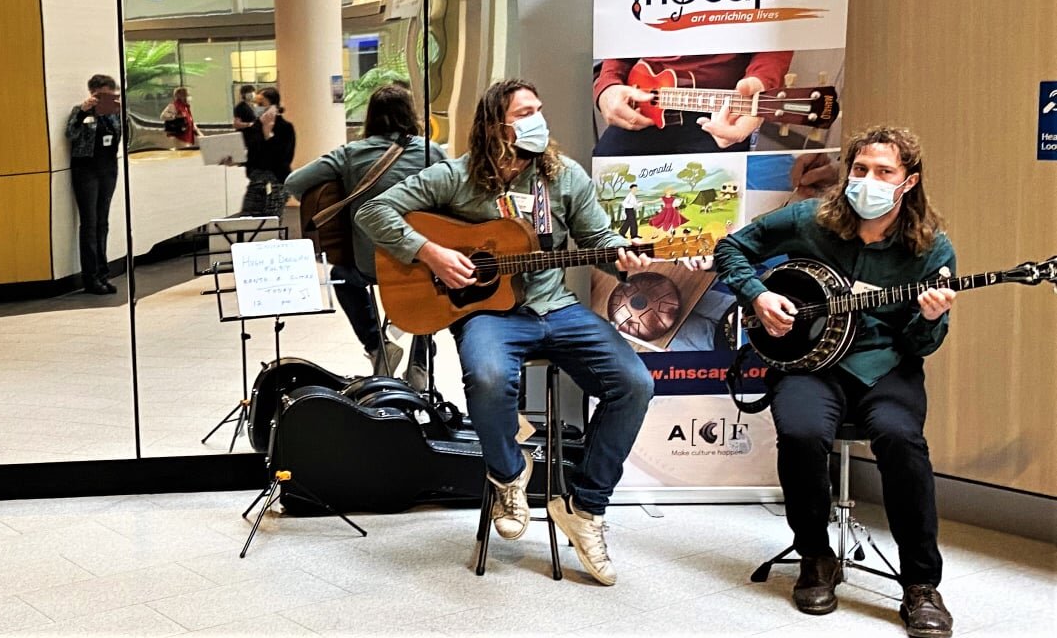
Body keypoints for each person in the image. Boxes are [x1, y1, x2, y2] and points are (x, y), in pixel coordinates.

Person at [354, 78, 656, 586]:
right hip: (490, 314)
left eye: (540, 108)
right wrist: (432, 253)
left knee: (635, 384)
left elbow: (598, 237)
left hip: (557, 308)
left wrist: (623, 255)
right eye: (526, 112)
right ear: (497, 124)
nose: (539, 118)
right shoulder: (455, 177)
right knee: (490, 376)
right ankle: (509, 474)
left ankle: (586, 507)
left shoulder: (563, 177)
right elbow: (371, 211)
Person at [711, 125, 956, 637]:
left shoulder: (931, 250)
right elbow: (732, 249)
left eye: (884, 172)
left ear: (908, 182)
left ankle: (921, 585)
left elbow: (921, 346)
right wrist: (757, 294)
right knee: (800, 433)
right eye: (860, 169)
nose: (868, 180)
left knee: (901, 439)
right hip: (809, 364)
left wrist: (929, 317)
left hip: (885, 365)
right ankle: (816, 557)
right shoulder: (810, 219)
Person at [283, 84, 443, 367]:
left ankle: (376, 346)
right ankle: (420, 359)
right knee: (432, 286)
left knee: (343, 277)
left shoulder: (349, 154)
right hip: (424, 260)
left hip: (371, 265)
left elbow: (294, 183)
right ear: (411, 115)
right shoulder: (431, 152)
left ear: (370, 117)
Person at [594, 52, 792, 155]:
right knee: (607, 175)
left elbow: (775, 28)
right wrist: (607, 86)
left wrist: (761, 82)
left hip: (720, 113)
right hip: (645, 103)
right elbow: (623, 30)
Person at [65, 74, 126, 295]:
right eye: (102, 95)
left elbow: (124, 137)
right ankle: (90, 278)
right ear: (92, 93)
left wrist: (120, 111)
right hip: (86, 170)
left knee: (103, 223)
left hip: (108, 169)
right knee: (89, 224)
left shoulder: (114, 115)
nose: (106, 99)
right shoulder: (80, 111)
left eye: (110, 95)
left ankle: (103, 274)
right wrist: (83, 111)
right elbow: (70, 133)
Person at [242, 87, 295, 218]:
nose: (258, 107)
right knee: (248, 218)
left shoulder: (285, 128)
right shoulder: (255, 127)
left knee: (271, 221)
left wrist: (268, 134)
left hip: (276, 181)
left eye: (261, 103)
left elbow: (283, 157)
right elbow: (252, 152)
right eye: (257, 104)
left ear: (273, 105)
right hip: (256, 180)